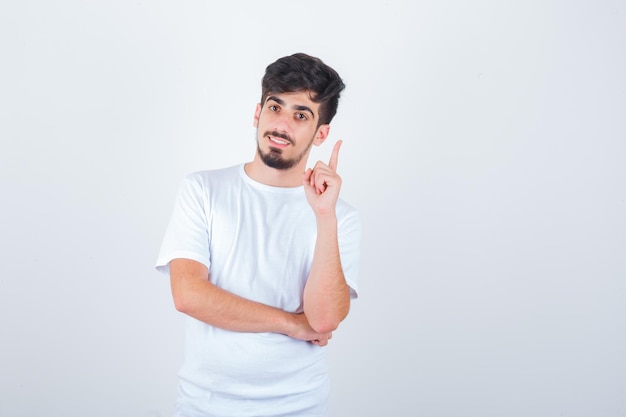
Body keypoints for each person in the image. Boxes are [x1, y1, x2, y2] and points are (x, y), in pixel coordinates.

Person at [155, 53, 361, 417]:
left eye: (301, 115)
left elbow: (324, 320)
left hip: (299, 406)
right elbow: (188, 295)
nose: (281, 124)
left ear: (321, 134)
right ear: (257, 112)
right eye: (275, 107)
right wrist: (291, 324)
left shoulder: (339, 217)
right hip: (204, 405)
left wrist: (324, 216)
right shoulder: (203, 189)